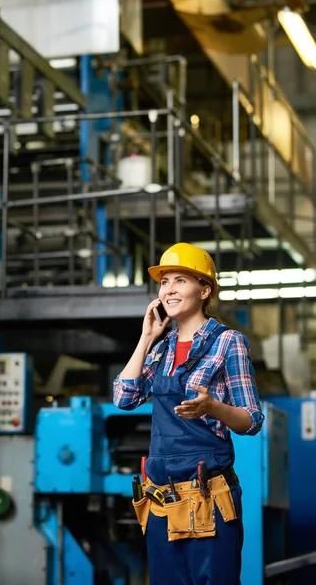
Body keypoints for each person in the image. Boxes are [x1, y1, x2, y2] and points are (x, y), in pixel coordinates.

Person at [113, 242, 264, 585]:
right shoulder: (161, 348)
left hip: (209, 496)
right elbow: (124, 397)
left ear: (205, 289)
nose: (169, 290)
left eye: (180, 280)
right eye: (164, 282)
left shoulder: (229, 342)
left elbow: (252, 420)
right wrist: (146, 338)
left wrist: (213, 407)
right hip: (162, 499)